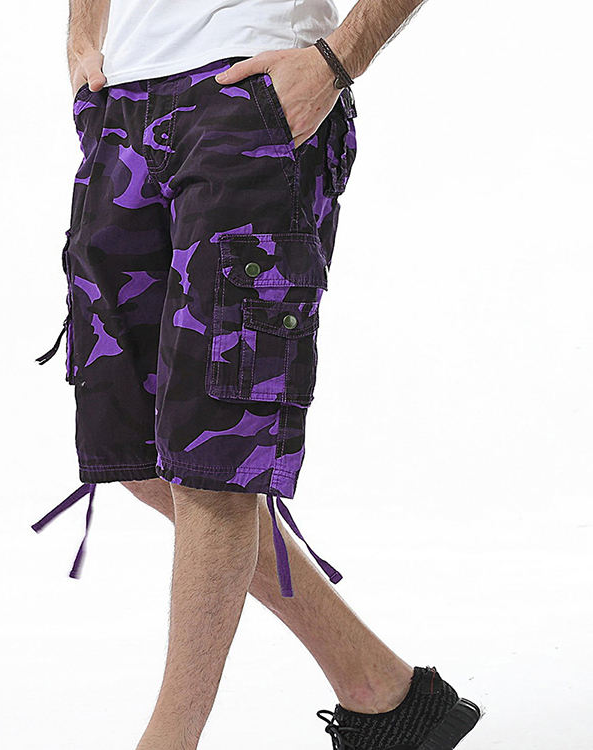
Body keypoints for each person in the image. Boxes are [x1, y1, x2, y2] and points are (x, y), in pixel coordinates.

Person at [31, 1, 484, 748]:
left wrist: (336, 61)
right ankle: (385, 694)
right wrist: (84, 42)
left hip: (253, 96)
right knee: (133, 451)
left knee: (216, 459)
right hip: (126, 106)